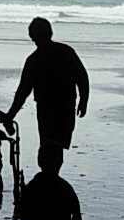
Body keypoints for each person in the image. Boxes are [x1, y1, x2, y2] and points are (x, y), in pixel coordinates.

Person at [6, 17, 89, 149]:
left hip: (47, 108)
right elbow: (82, 77)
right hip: (66, 105)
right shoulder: (66, 51)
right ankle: (52, 170)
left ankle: (48, 169)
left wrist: (11, 115)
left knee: (47, 144)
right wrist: (83, 100)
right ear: (50, 32)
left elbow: (23, 91)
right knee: (58, 145)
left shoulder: (33, 60)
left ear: (31, 36)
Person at [18, 141, 82, 220]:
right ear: (60, 162)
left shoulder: (33, 186)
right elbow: (76, 210)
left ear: (39, 161)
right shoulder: (64, 186)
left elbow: (22, 210)